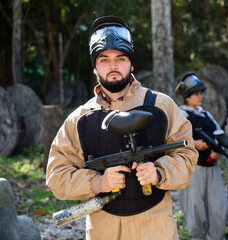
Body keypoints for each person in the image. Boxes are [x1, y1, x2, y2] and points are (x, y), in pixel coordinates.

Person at [46, 16, 198, 240]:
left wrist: (158, 172)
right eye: (104, 60)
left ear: (131, 63)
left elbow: (186, 154)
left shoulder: (161, 105)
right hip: (104, 230)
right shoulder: (79, 119)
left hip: (155, 228)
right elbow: (56, 176)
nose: (113, 66)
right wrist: (98, 182)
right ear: (95, 67)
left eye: (121, 58)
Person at [175, 73, 228, 240]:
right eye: (196, 94)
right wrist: (194, 143)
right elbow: (175, 139)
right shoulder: (181, 115)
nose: (200, 97)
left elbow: (219, 133)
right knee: (196, 208)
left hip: (212, 167)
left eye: (200, 94)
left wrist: (218, 149)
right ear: (187, 96)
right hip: (194, 170)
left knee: (218, 207)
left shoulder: (205, 114)